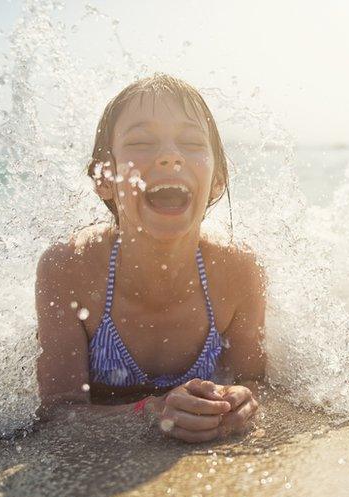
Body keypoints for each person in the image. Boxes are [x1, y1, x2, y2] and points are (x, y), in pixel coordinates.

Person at [35, 74, 266, 442]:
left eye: (191, 142)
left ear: (218, 180)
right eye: (141, 141)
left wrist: (243, 403)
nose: (170, 155)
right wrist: (151, 412)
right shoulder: (70, 269)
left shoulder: (237, 272)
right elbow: (58, 414)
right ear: (104, 178)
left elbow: (254, 380)